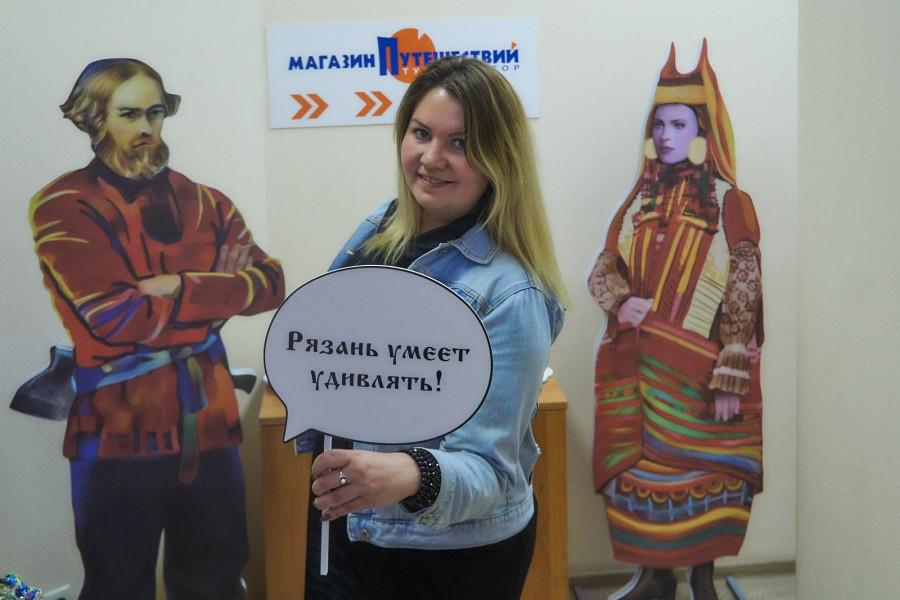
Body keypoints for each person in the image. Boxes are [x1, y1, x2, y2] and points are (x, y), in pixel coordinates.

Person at [303, 55, 566, 600]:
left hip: (447, 556)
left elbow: (492, 473)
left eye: (460, 143)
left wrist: (410, 474)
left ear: (498, 158)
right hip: (349, 524)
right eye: (421, 133)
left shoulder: (512, 294)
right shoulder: (379, 228)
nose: (431, 158)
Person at [28, 58, 285, 600]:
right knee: (118, 586)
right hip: (117, 434)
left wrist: (178, 286)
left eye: (156, 112)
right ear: (95, 120)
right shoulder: (65, 205)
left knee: (216, 584)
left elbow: (270, 284)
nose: (146, 128)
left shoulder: (206, 201)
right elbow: (117, 317)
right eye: (129, 115)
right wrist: (219, 294)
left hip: (210, 426)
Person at [586, 40, 763, 600]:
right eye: (658, 124)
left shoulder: (730, 201)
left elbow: (745, 279)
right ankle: (654, 578)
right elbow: (603, 268)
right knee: (638, 475)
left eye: (678, 124)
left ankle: (702, 580)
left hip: (704, 372)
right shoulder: (636, 202)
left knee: (710, 474)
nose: (665, 135)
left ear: (703, 134)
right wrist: (620, 300)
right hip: (638, 371)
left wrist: (732, 361)